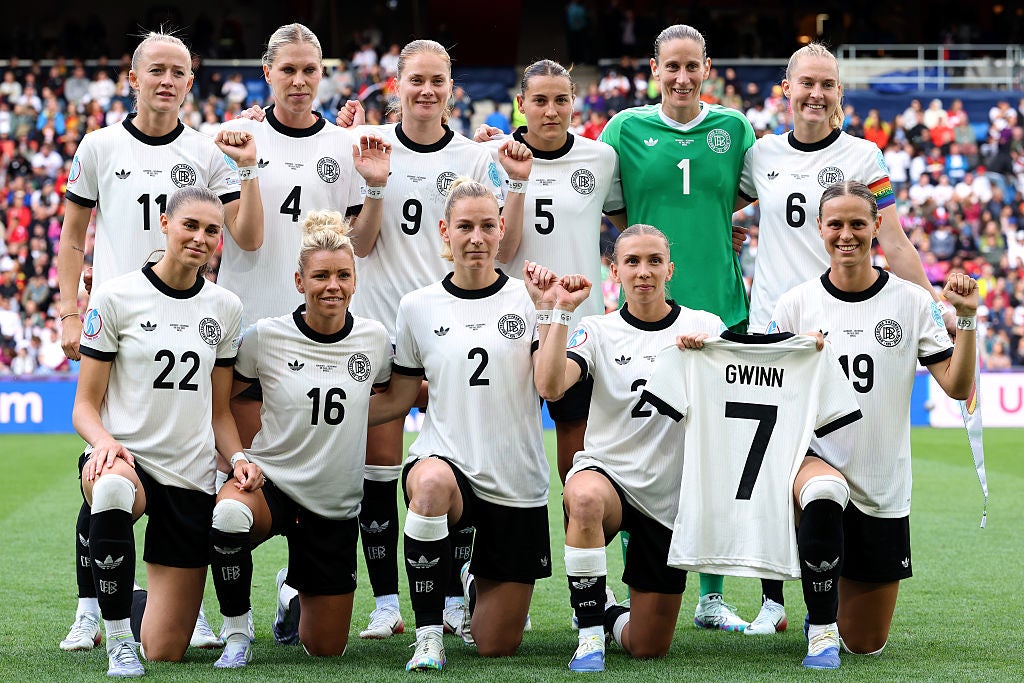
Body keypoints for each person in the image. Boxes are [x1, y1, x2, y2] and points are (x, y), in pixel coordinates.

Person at [737, 43, 956, 634]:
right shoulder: (760, 155)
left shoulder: (865, 155)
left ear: (839, 93)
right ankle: (774, 602)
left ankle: (828, 599)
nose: (816, 93)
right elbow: (726, 209)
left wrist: (935, 305)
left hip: (842, 326)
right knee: (776, 461)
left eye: (827, 84)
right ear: (785, 89)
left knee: (834, 462)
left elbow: (896, 239)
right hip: (778, 331)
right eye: (806, 82)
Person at [55, 29, 262, 654]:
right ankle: (92, 608)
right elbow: (71, 239)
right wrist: (70, 310)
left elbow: (246, 235)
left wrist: (247, 169)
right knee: (106, 465)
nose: (167, 80)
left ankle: (183, 607)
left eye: (179, 72)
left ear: (191, 83)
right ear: (133, 77)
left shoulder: (205, 152)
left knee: (181, 448)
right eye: (157, 70)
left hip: (184, 316)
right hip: (117, 321)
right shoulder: (98, 146)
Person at [343, 39, 531, 641]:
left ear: (452, 88)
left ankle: (454, 591)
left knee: (460, 463)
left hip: (459, 324)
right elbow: (361, 245)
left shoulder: (477, 158)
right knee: (380, 473)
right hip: (384, 328)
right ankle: (385, 602)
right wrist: (374, 186)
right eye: (415, 80)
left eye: (438, 81)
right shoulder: (367, 146)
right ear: (396, 84)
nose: (426, 91)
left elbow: (500, 245)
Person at [769, 180, 977, 668]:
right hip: (816, 467)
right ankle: (820, 625)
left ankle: (828, 606)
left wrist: (966, 320)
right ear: (819, 228)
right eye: (835, 224)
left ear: (876, 227)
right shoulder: (794, 305)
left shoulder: (910, 302)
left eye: (857, 224)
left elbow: (956, 385)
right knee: (822, 493)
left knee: (866, 643)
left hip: (883, 483)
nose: (846, 234)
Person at [598, 22, 754, 632]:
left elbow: (736, 198)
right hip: (644, 318)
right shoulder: (625, 129)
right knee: (641, 453)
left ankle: (711, 595)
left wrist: (715, 231)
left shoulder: (734, 129)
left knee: (715, 456)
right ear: (654, 71)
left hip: (721, 311)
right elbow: (612, 209)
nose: (683, 77)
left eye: (693, 66)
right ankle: (639, 586)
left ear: (707, 68)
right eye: (672, 67)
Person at [367, 178, 548, 672]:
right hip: (447, 462)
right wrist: (318, 416)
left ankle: (468, 576)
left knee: (496, 645)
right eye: (464, 226)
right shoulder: (417, 305)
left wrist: (555, 312)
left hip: (516, 482)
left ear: (501, 229)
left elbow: (551, 384)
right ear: (445, 232)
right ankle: (428, 636)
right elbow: (401, 398)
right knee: (428, 484)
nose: (475, 237)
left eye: (487, 226)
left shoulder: (528, 298)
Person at [73, 186, 253, 677]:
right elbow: (85, 407)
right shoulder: (116, 296)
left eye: (211, 230)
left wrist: (237, 458)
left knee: (166, 648)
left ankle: (132, 600)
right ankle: (115, 641)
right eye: (190, 225)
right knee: (109, 487)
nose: (200, 237)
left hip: (189, 474)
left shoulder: (226, 307)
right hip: (127, 461)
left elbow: (219, 413)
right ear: (165, 224)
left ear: (220, 240)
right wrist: (105, 443)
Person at [528, 224, 725, 671]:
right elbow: (550, 385)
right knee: (581, 496)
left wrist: (708, 357)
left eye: (654, 260)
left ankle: (608, 610)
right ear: (613, 270)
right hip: (609, 478)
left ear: (669, 269)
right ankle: (590, 633)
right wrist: (559, 312)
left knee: (647, 646)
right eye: (632, 262)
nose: (643, 272)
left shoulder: (705, 326)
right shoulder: (596, 329)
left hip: (668, 498)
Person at [210, 210, 392, 668]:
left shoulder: (374, 340)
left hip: (332, 501)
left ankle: (292, 590)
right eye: (321, 275)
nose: (332, 285)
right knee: (229, 517)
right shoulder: (264, 337)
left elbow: (403, 393)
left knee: (325, 649)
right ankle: (236, 632)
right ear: (299, 280)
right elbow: (217, 403)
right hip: (269, 482)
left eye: (342, 275)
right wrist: (236, 459)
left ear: (355, 282)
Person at [474, 58, 624, 482]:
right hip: (508, 321)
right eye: (539, 101)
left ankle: (577, 545)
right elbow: (498, 253)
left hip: (578, 326)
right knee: (500, 454)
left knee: (577, 465)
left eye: (561, 100)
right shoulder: (490, 155)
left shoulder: (600, 158)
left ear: (575, 102)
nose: (551, 111)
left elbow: (633, 218)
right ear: (521, 103)